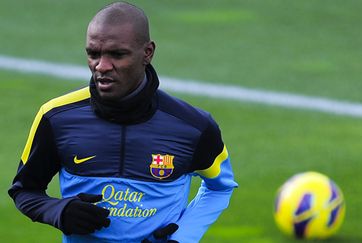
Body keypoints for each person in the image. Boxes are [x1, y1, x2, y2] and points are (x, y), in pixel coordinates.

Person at [8, 2, 237, 242]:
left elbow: (220, 187)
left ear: (147, 53)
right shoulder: (56, 116)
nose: (102, 67)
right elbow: (24, 190)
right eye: (93, 54)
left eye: (117, 54)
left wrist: (183, 236)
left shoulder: (193, 126)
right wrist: (58, 211)